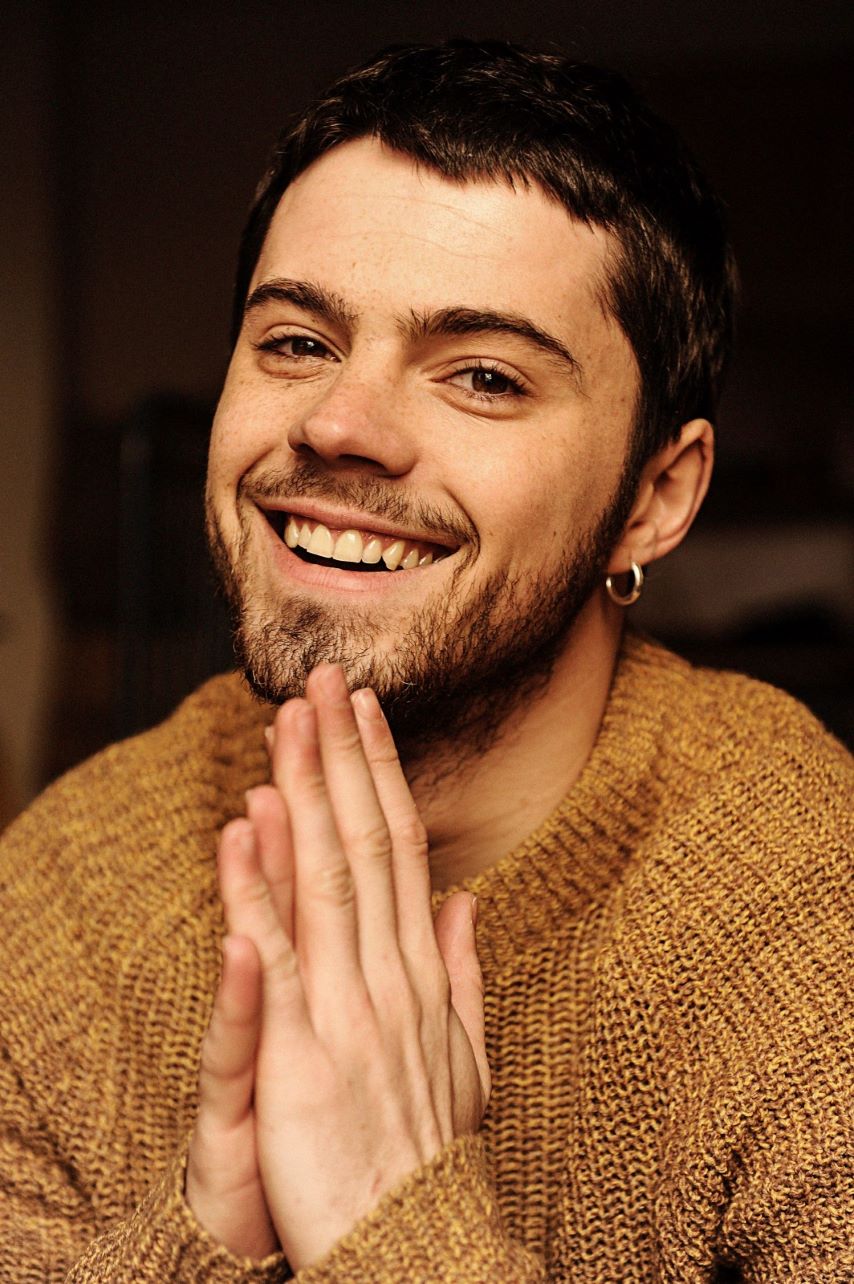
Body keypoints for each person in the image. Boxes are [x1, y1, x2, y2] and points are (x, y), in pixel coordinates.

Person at [1, 38, 851, 1283]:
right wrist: (206, 1238)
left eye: (484, 377)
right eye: (296, 342)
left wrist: (391, 1216)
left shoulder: (808, 920)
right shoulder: (71, 887)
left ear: (653, 499)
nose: (339, 424)